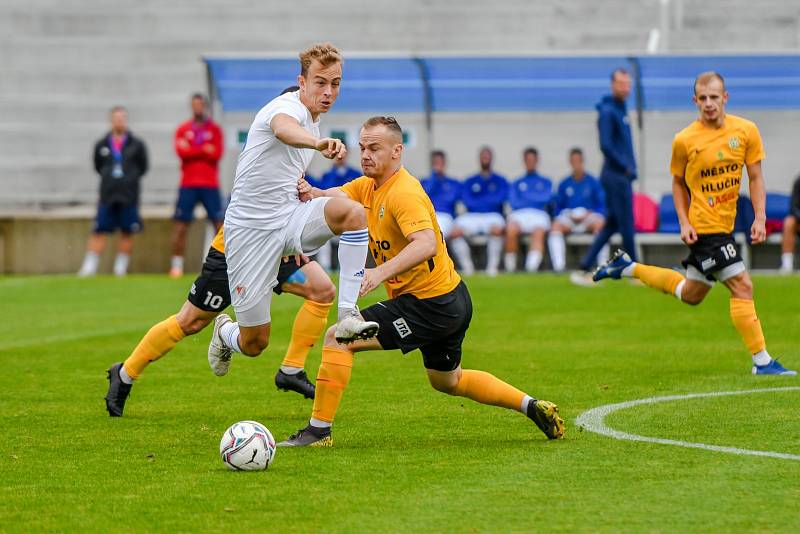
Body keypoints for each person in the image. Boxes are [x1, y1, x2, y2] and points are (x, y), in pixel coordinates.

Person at [279, 116, 565, 447]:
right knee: (448, 382)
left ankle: (318, 432)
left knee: (339, 337)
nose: (366, 155)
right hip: (450, 298)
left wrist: (376, 274)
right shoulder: (367, 186)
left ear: (397, 151)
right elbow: (332, 197)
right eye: (362, 148)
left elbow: (426, 242)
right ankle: (532, 406)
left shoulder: (403, 192)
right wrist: (309, 191)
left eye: (375, 148)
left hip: (430, 304)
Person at [593, 71, 796, 376]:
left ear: (725, 98)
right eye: (703, 98)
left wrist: (761, 216)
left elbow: (755, 177)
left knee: (691, 294)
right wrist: (684, 221)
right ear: (695, 101)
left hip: (725, 226)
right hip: (704, 228)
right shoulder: (685, 140)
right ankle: (762, 361)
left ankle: (628, 267)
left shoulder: (746, 131)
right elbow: (677, 184)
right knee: (743, 285)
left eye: (714, 97)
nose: (709, 103)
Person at [206, 42, 378, 375]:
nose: (328, 92)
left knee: (354, 213)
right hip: (248, 234)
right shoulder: (286, 108)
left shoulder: (313, 122)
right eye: (320, 82)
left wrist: (301, 191)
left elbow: (282, 168)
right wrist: (316, 143)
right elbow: (284, 129)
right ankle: (225, 333)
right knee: (255, 343)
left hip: (287, 220)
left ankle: (347, 317)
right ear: (302, 82)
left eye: (336, 84)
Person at [103, 228, 335, 416]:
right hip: (237, 250)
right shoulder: (256, 169)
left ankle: (291, 369)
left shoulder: (297, 170)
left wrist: (295, 236)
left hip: (277, 250)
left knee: (322, 291)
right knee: (190, 321)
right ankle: (125, 373)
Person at [573, 69, 637, 284]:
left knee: (611, 224)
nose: (625, 88)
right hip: (615, 176)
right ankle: (635, 271)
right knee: (627, 223)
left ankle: (584, 266)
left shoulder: (621, 109)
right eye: (621, 83)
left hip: (621, 176)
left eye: (628, 84)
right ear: (613, 85)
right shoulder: (608, 112)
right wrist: (626, 167)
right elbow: (606, 145)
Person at [78, 106, 149, 277]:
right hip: (108, 195)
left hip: (128, 195)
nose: (119, 121)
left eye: (122, 118)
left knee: (127, 230)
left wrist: (129, 180)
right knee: (99, 230)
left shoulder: (136, 144)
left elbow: (143, 167)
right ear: (111, 120)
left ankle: (120, 267)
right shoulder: (102, 144)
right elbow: (98, 166)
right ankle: (90, 267)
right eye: (116, 118)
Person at [169, 93, 225, 278]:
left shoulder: (215, 130)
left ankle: (225, 262)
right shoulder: (183, 129)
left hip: (209, 183)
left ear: (206, 107)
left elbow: (216, 153)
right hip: (188, 183)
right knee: (181, 225)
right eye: (195, 105)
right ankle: (176, 265)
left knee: (219, 224)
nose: (198, 108)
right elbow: (181, 152)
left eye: (200, 105)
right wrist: (203, 149)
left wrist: (192, 147)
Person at [449, 147, 508, 276]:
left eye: (487, 156)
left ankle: (492, 268)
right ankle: (468, 268)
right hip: (472, 216)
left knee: (497, 230)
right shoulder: (470, 180)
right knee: (454, 232)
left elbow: (500, 199)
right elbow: (466, 200)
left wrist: (481, 201)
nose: (485, 159)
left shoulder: (500, 180)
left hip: (493, 215)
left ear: (492, 159)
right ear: (479, 159)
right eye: (483, 157)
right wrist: (486, 201)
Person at [550, 148, 607, 273]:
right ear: (570, 162)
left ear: (582, 161)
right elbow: (558, 207)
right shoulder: (564, 183)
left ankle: (603, 266)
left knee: (601, 225)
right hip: (571, 218)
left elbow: (602, 206)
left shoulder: (593, 182)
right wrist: (568, 214)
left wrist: (590, 213)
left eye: (577, 161)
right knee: (555, 227)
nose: (575, 164)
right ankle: (559, 267)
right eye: (573, 161)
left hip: (588, 218)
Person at [504, 147, 553, 273]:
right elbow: (514, 202)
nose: (530, 162)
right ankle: (510, 268)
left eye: (532, 160)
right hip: (520, 214)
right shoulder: (517, 182)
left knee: (538, 231)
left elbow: (546, 198)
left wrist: (525, 196)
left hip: (539, 213)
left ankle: (530, 269)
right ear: (524, 161)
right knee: (511, 229)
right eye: (527, 160)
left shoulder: (545, 181)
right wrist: (535, 197)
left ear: (537, 161)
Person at [314, 153, 362, 271]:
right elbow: (323, 192)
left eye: (342, 155)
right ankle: (326, 267)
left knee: (351, 242)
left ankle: (350, 268)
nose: (339, 158)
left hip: (349, 218)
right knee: (323, 240)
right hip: (331, 217)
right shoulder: (327, 175)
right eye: (335, 155)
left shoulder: (355, 175)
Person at [420, 150, 461, 240]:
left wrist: (457, 222)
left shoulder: (453, 183)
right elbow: (424, 194)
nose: (438, 165)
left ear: (444, 163)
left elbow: (454, 200)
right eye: (436, 162)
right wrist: (434, 176)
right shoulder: (425, 182)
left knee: (457, 241)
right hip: (428, 217)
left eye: (440, 162)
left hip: (446, 217)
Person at [779, 174, 800, 274]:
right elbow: (793, 208)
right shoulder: (798, 181)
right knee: (789, 222)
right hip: (799, 222)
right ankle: (787, 265)